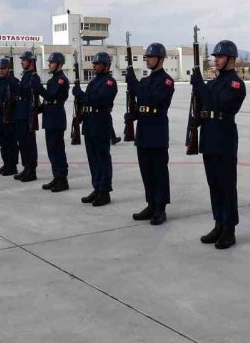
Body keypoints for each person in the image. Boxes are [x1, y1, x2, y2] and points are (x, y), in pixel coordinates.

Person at [191, 40, 246, 249]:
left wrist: (200, 86)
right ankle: (218, 223)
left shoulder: (235, 84)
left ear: (231, 59)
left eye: (220, 56)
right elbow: (205, 104)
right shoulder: (214, 83)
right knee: (214, 184)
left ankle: (229, 229)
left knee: (226, 186)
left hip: (224, 138)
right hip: (209, 136)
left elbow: (220, 103)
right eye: (215, 57)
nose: (216, 60)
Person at [125, 42, 175, 225]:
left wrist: (133, 83)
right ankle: (151, 204)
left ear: (160, 59)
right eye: (146, 57)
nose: (147, 60)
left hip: (157, 131)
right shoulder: (145, 81)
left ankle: (160, 207)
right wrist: (132, 115)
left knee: (159, 171)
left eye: (150, 57)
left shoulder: (167, 81)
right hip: (143, 131)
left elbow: (152, 98)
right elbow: (141, 103)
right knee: (146, 171)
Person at [73, 52, 118, 206]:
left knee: (102, 158)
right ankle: (97, 187)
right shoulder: (93, 82)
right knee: (93, 158)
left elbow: (99, 100)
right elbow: (87, 101)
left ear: (106, 66)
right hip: (89, 122)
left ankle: (104, 191)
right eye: (94, 63)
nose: (94, 66)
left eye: (97, 63)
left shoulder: (110, 82)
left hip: (100, 122)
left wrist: (81, 95)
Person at [32, 52, 71, 192]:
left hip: (56, 118)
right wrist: (37, 109)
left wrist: (38, 87)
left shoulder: (61, 80)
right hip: (49, 117)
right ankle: (56, 177)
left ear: (59, 64)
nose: (49, 64)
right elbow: (47, 101)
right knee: (52, 150)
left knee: (57, 150)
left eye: (51, 62)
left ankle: (62, 180)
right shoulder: (53, 79)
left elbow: (50, 96)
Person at [13, 51, 41, 183]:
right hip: (20, 114)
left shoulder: (34, 77)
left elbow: (26, 93)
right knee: (22, 143)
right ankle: (26, 167)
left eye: (24, 60)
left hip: (27, 115)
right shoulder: (25, 76)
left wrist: (14, 85)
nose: (21, 62)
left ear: (31, 62)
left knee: (29, 144)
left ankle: (32, 170)